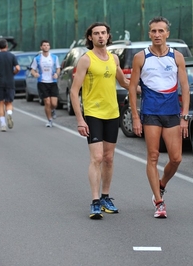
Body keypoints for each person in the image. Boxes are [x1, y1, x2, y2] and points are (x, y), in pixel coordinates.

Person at [128, 16, 190, 219]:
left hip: (172, 113)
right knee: (153, 156)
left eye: (161, 31)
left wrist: (184, 116)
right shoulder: (141, 57)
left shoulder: (177, 57)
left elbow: (185, 87)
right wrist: (135, 117)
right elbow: (131, 89)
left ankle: (161, 184)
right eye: (154, 31)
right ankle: (159, 202)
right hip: (151, 114)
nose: (157, 35)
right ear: (149, 34)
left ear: (167, 34)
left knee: (176, 158)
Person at [70, 22, 129, 219]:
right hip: (94, 114)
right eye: (96, 34)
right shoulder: (86, 60)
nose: (101, 36)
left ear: (108, 36)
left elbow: (123, 82)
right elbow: (73, 91)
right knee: (96, 158)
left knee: (109, 158)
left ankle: (105, 197)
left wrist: (143, 87)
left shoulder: (114, 58)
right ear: (90, 38)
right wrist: (80, 119)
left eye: (103, 33)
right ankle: (95, 201)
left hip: (112, 113)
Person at [0, 38, 20, 132]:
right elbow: (18, 68)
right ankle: (9, 114)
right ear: (7, 46)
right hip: (10, 81)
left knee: (0, 103)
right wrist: (13, 73)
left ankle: (3, 124)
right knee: (9, 102)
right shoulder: (12, 56)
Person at [30, 40, 61, 127]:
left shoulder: (54, 57)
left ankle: (53, 109)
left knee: (54, 103)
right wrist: (35, 74)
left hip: (53, 82)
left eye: (47, 45)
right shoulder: (37, 58)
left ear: (49, 47)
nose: (46, 47)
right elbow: (32, 69)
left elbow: (58, 68)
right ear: (41, 47)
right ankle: (49, 120)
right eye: (44, 45)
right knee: (47, 102)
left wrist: (57, 74)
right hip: (42, 82)